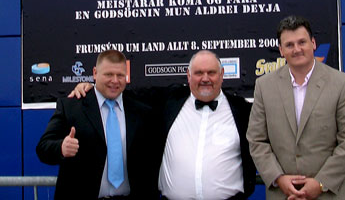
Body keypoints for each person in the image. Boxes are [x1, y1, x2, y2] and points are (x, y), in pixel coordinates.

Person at [71, 49, 256, 199]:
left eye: (211, 73)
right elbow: (119, 92)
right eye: (199, 73)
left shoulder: (242, 111)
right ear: (188, 76)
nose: (205, 78)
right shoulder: (168, 102)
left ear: (222, 75)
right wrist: (91, 88)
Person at [246, 16, 345, 200]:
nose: (297, 49)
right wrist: (278, 178)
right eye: (289, 45)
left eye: (302, 42)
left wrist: (321, 183)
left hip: (331, 194)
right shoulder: (264, 86)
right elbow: (256, 140)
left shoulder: (343, 84)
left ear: (313, 43)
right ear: (281, 50)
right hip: (283, 194)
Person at [36, 50, 157, 199]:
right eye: (108, 74)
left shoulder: (141, 109)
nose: (115, 81)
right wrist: (61, 147)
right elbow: (43, 148)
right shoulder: (71, 107)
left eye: (120, 75)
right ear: (95, 73)